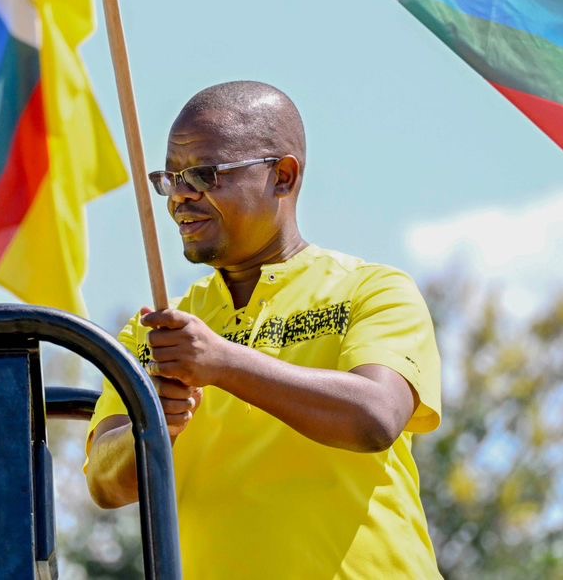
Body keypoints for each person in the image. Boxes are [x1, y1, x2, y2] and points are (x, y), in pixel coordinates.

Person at [85, 81, 443, 578]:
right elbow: (105, 484)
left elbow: (376, 417)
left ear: (283, 176)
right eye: (170, 178)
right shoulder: (151, 331)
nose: (181, 197)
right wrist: (153, 427)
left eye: (204, 174)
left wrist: (222, 362)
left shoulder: (374, 291)